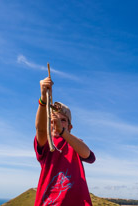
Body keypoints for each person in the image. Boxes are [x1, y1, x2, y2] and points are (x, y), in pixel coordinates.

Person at [34, 76, 96, 206]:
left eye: (63, 120)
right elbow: (40, 129)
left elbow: (88, 155)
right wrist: (43, 99)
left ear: (70, 127)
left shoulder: (74, 143)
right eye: (51, 121)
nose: (56, 123)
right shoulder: (46, 142)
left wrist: (63, 132)